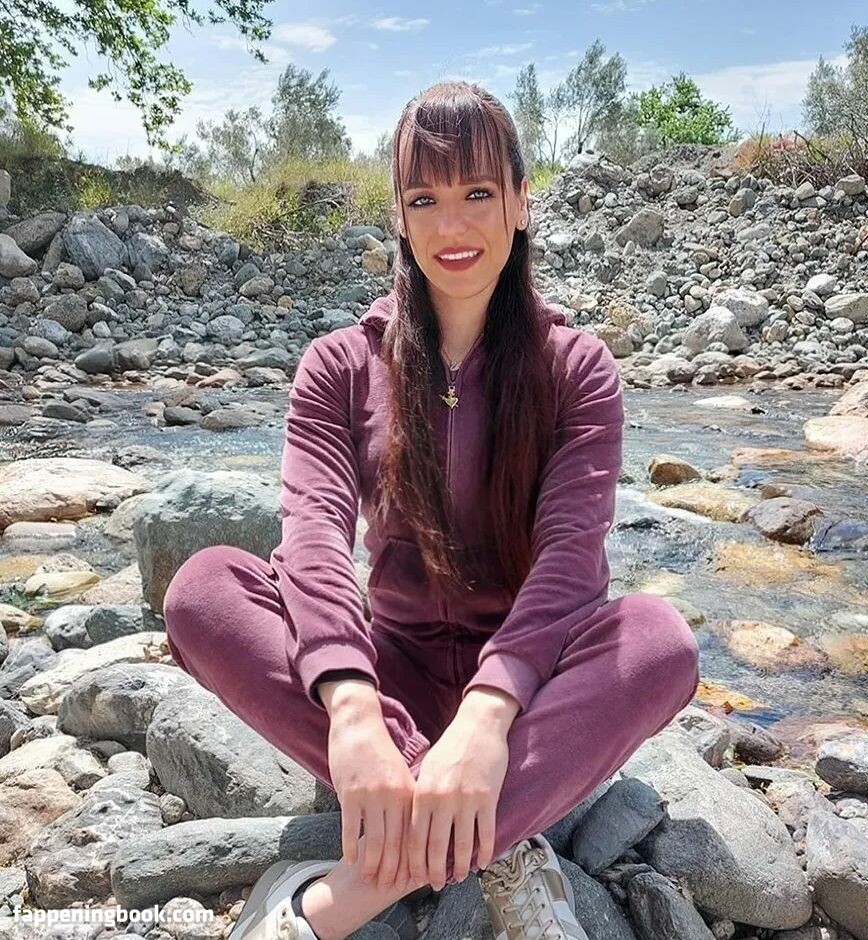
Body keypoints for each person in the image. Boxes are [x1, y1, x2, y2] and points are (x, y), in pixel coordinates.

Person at [162, 79, 700, 940]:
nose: (452, 227)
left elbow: (571, 561)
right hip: (391, 681)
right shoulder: (339, 366)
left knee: (659, 642)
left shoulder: (576, 368)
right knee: (204, 589)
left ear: (521, 202)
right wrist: (351, 707)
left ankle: (350, 889)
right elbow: (313, 536)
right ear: (399, 217)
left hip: (530, 699)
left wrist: (488, 717)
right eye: (425, 199)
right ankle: (496, 836)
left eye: (478, 193)